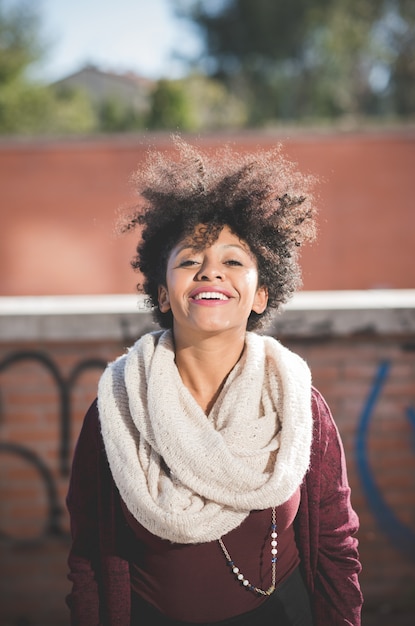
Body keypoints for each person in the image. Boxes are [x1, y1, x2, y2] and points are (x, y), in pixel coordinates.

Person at [66, 138, 363, 625]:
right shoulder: (116, 409)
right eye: (189, 261)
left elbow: (335, 544)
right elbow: (88, 558)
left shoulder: (298, 406)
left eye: (233, 261)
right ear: (163, 292)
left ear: (262, 293)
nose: (210, 272)